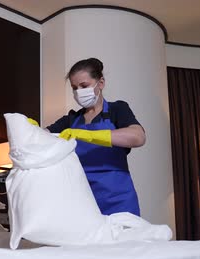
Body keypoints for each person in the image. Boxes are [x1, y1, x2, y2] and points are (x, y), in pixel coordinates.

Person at [45, 58, 146, 216]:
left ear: (100, 83)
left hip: (118, 200)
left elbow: (138, 137)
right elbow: (42, 136)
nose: (79, 92)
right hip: (81, 199)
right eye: (74, 88)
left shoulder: (117, 109)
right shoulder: (71, 119)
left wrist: (88, 135)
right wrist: (28, 127)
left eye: (84, 86)